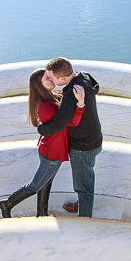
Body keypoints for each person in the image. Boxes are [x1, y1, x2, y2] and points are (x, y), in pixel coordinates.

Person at [0, 68, 85, 218]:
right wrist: (80, 105)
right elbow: (70, 122)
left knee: (46, 182)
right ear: (39, 85)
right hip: (51, 153)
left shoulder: (53, 96)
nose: (52, 80)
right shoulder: (46, 106)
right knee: (35, 185)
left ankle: (42, 213)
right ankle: (7, 204)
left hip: (50, 149)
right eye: (47, 78)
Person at [37, 57, 102, 217]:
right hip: (94, 139)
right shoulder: (84, 77)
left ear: (62, 78)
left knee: (83, 186)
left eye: (51, 78)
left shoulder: (71, 93)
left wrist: (41, 129)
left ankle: (84, 217)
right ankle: (81, 205)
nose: (50, 80)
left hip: (82, 147)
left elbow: (60, 123)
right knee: (88, 177)